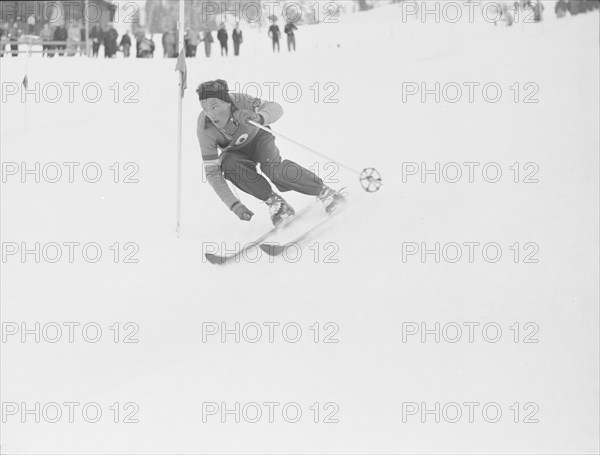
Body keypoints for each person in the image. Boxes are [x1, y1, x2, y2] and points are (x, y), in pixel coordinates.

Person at [195, 79, 345, 226]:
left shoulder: (241, 100)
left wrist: (259, 117)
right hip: (236, 153)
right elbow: (213, 173)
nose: (211, 115)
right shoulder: (205, 128)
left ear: (227, 102)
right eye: (205, 108)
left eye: (214, 107)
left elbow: (276, 108)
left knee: (274, 170)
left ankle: (325, 192)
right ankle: (277, 204)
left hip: (259, 139)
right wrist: (234, 205)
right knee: (227, 164)